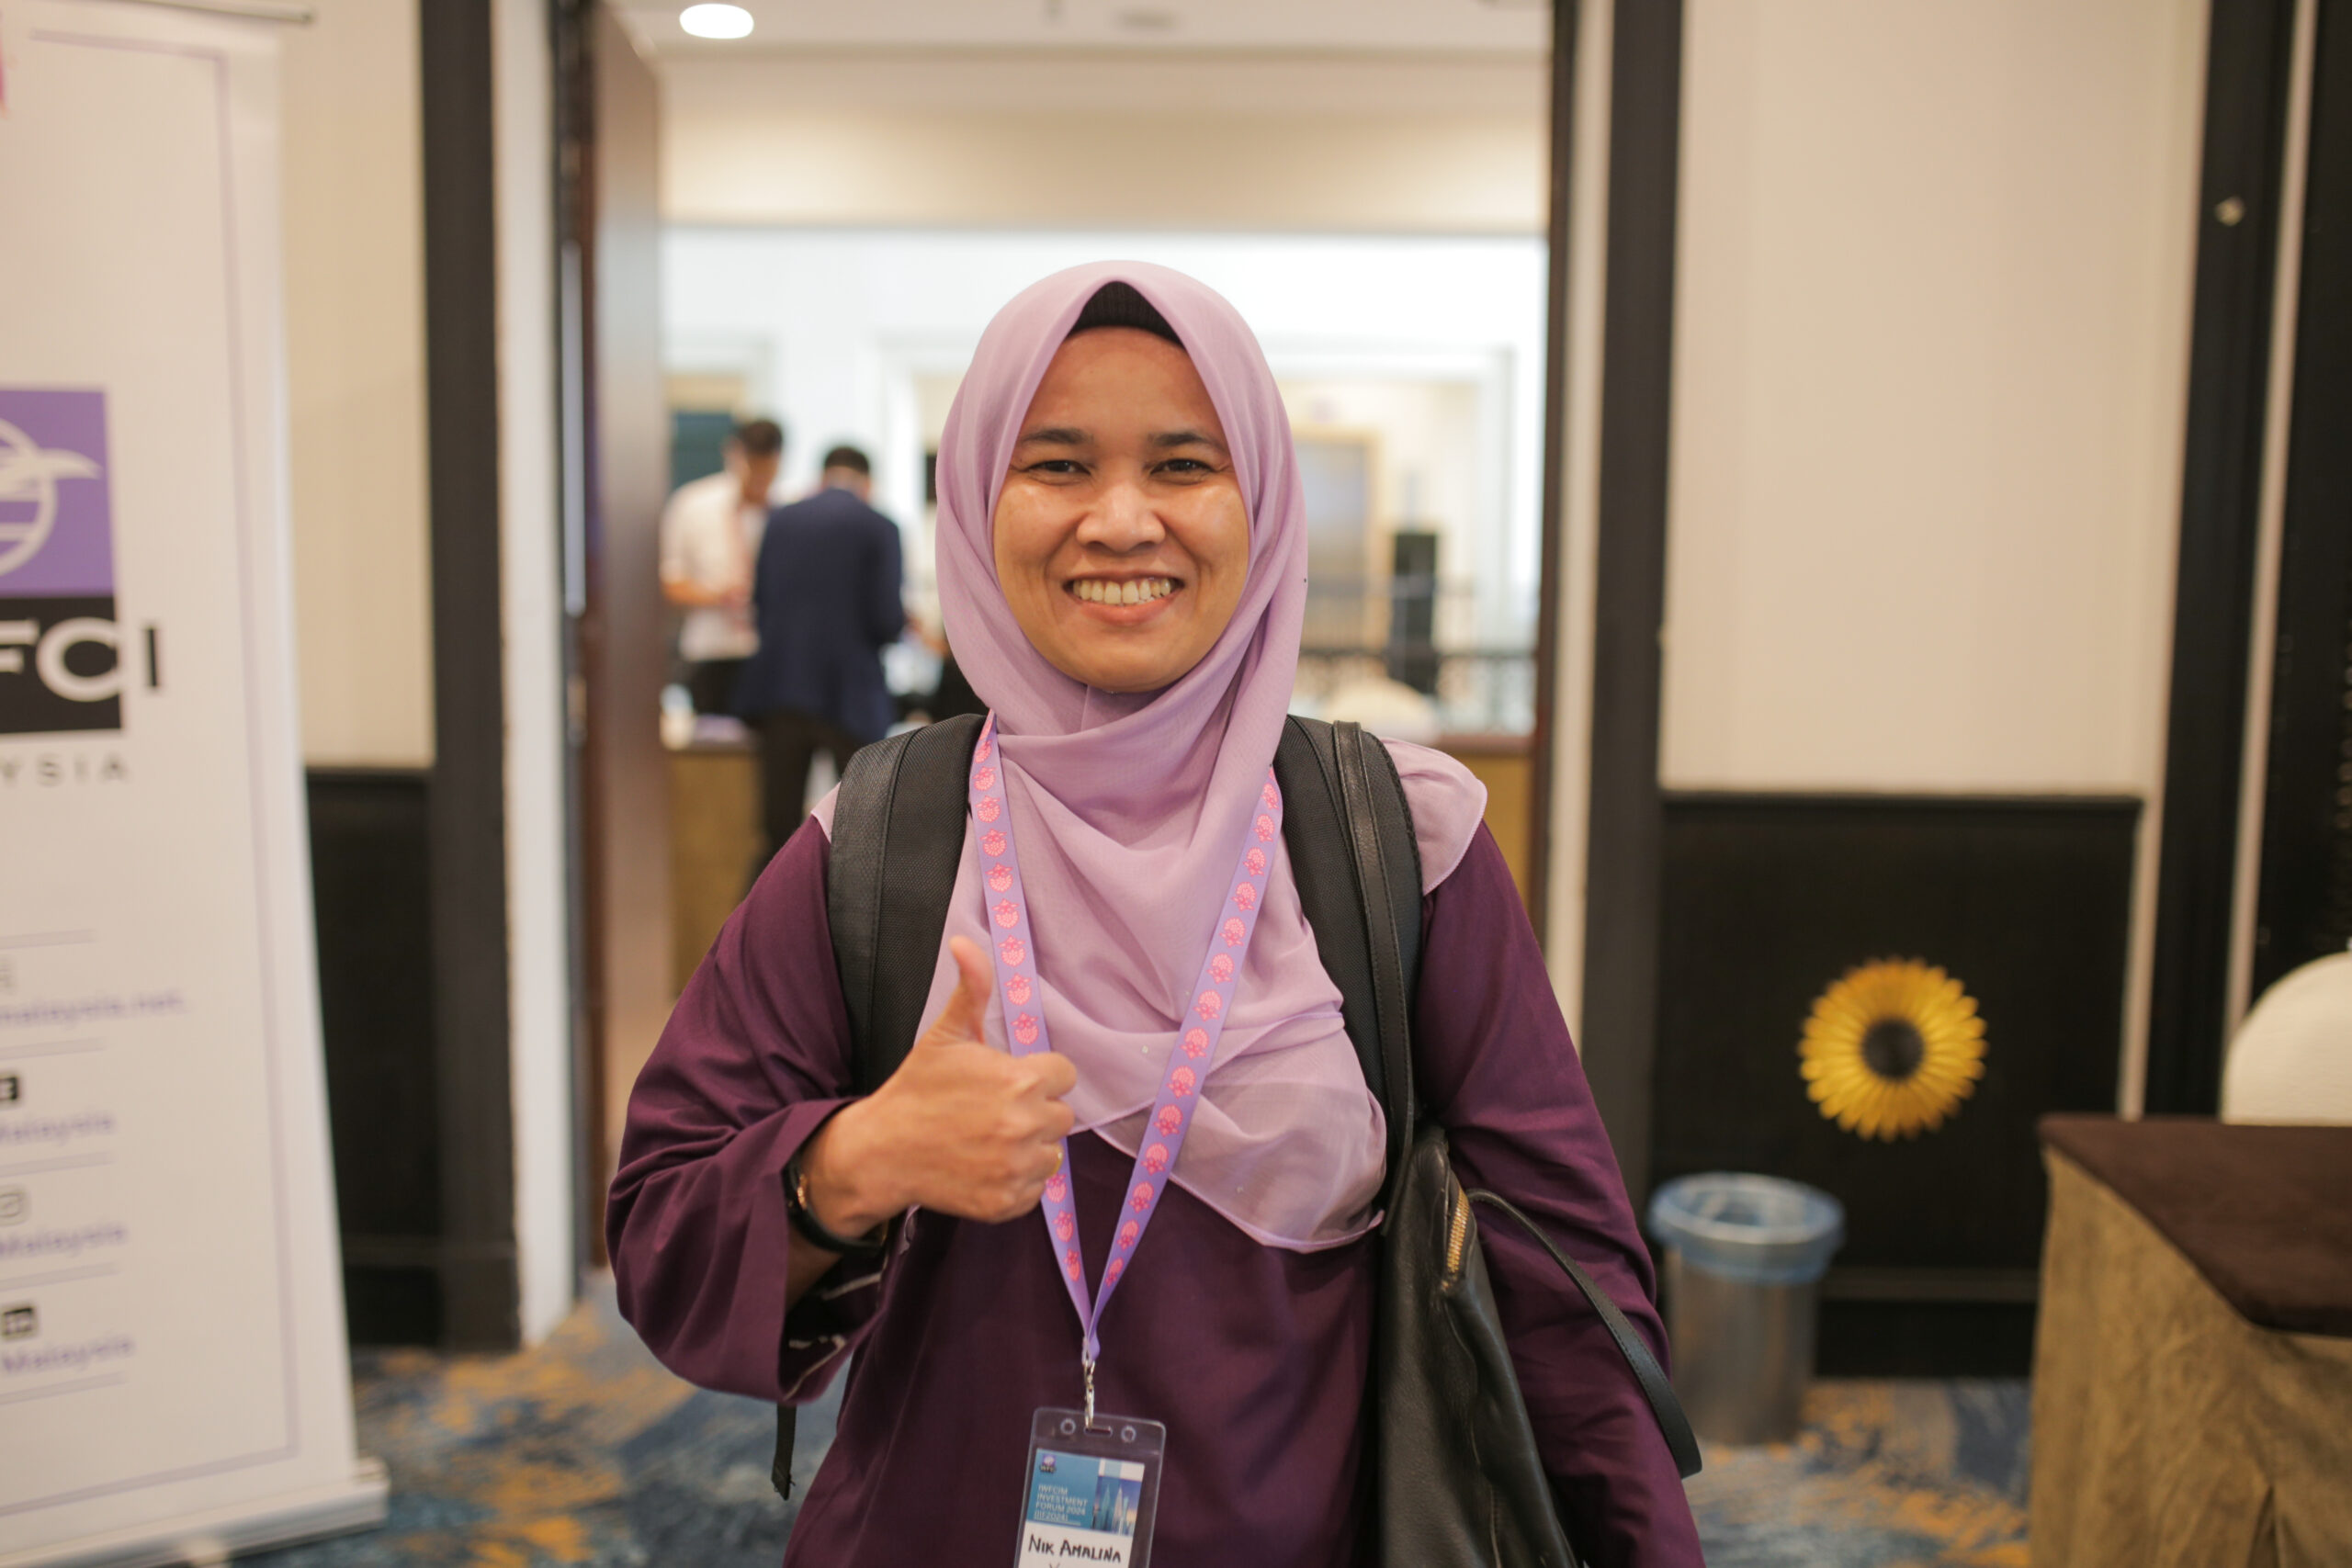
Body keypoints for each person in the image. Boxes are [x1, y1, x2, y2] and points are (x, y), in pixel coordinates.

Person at [609, 265, 1702, 1566]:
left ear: (1263, 503)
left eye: (1184, 465)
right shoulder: (885, 839)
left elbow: (1566, 1288)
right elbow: (662, 1233)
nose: (1121, 521)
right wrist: (855, 1160)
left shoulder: (1395, 841)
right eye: (1057, 465)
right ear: (977, 499)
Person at [733, 445, 906, 857]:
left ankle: (781, 897)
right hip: (850, 692)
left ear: (823, 476)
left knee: (778, 827)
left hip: (781, 686)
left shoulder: (780, 520)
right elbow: (886, 619)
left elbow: (761, 602)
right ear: (867, 483)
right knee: (861, 828)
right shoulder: (879, 525)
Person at [660, 417, 783, 715]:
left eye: (767, 470)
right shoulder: (693, 504)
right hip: (712, 649)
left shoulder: (786, 510)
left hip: (773, 652)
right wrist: (719, 596)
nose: (759, 478)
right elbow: (671, 583)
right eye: (752, 467)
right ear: (733, 453)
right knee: (714, 737)